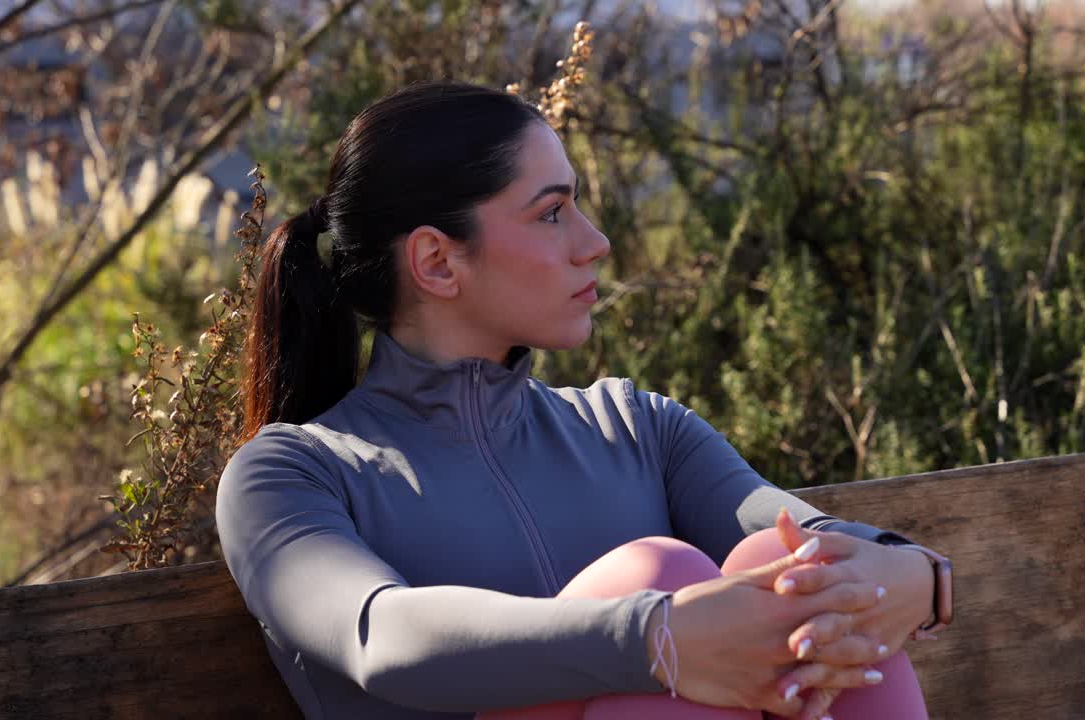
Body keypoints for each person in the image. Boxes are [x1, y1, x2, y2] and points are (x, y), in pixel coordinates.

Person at [215, 81, 949, 720]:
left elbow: (798, 538)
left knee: (797, 573)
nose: (594, 242)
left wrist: (912, 574)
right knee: (658, 576)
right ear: (438, 261)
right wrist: (655, 637)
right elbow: (381, 635)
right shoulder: (291, 475)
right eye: (551, 213)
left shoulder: (638, 429)